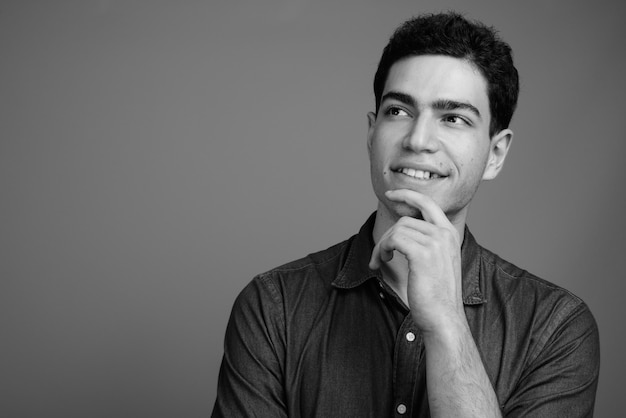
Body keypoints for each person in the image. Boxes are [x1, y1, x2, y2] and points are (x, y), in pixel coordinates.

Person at [211, 12, 600, 417]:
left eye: (453, 118)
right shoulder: (273, 307)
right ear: (371, 132)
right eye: (398, 111)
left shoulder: (556, 327)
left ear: (495, 154)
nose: (417, 140)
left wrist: (447, 323)